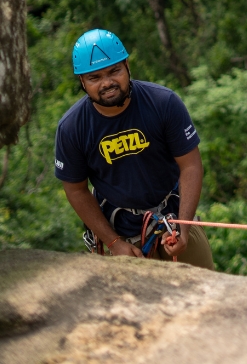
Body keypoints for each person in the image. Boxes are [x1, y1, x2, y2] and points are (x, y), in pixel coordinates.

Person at [55, 28, 214, 269]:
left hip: (174, 221)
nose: (107, 83)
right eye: (94, 77)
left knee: (207, 294)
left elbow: (190, 164)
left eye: (114, 71)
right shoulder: (72, 128)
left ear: (127, 65)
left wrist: (184, 226)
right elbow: (76, 190)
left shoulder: (162, 103)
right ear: (82, 82)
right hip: (119, 233)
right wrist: (114, 243)